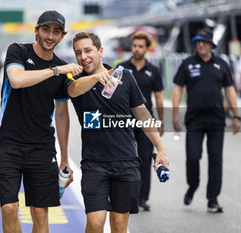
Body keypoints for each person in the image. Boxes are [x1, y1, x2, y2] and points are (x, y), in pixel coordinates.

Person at [0, 10, 83, 233]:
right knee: (9, 208)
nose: (50, 36)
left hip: (41, 146)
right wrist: (55, 70)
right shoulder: (18, 51)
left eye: (56, 32)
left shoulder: (62, 68)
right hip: (8, 143)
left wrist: (64, 157)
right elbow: (17, 80)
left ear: (62, 36)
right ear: (36, 31)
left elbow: (61, 114)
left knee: (40, 212)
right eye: (46, 30)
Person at [67, 31, 169, 233]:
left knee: (119, 225)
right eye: (78, 52)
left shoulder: (125, 77)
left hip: (126, 161)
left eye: (88, 50)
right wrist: (97, 77)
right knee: (95, 222)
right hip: (94, 163)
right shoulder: (75, 78)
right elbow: (74, 90)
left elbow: (142, 114)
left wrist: (161, 149)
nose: (83, 56)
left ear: (100, 51)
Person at [172, 28, 240, 213]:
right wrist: (175, 114)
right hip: (194, 119)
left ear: (211, 44)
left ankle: (213, 199)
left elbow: (230, 90)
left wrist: (235, 115)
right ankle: (193, 186)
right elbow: (178, 88)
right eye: (198, 41)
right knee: (193, 157)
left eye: (204, 41)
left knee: (216, 159)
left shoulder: (221, 64)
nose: (200, 44)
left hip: (217, 119)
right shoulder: (187, 64)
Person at [117, 31, 164, 211]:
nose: (136, 49)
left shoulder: (154, 71)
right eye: (134, 45)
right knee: (126, 158)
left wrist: (161, 121)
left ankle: (142, 197)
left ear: (147, 48)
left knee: (145, 159)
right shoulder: (121, 68)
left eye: (140, 46)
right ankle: (127, 196)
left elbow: (159, 98)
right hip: (123, 120)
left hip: (145, 120)